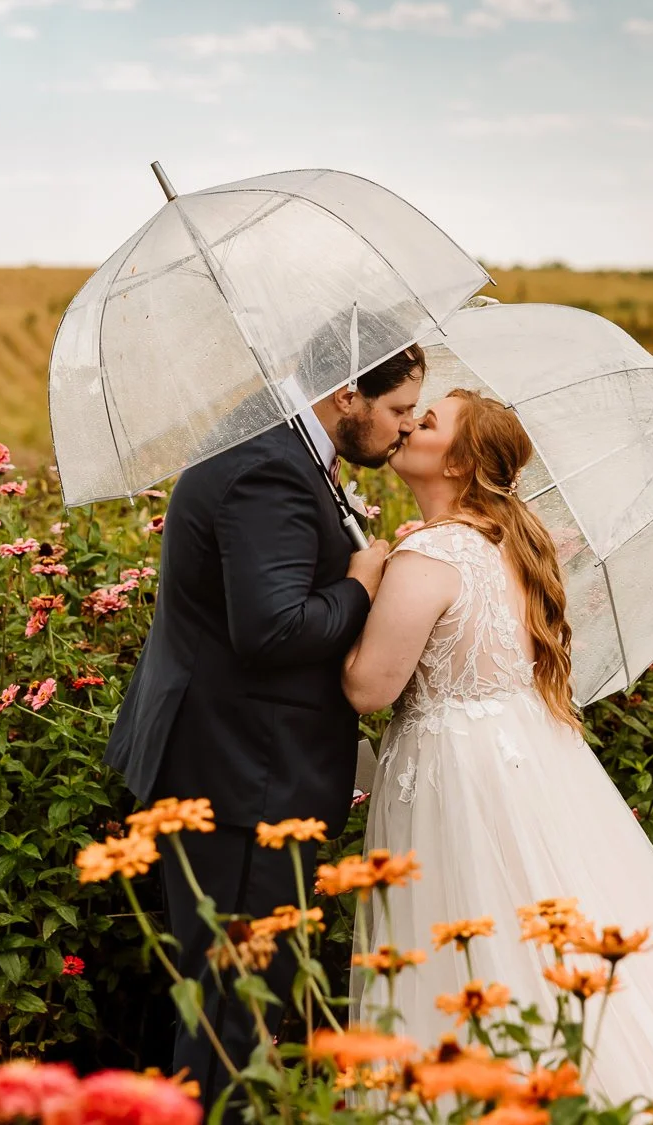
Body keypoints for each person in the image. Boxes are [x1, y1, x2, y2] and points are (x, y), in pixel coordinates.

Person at [342, 389, 653, 1116]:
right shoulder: (503, 544)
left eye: (429, 419)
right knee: (536, 943)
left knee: (466, 944)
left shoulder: (428, 553)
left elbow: (367, 686)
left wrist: (359, 584)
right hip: (528, 762)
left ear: (463, 461)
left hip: (457, 775)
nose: (409, 422)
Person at [104, 344, 426, 1096]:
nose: (405, 428)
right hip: (243, 780)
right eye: (400, 409)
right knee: (234, 1011)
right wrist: (360, 584)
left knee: (230, 1005)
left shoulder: (282, 450)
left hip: (240, 769)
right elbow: (273, 628)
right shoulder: (268, 467)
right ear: (346, 393)